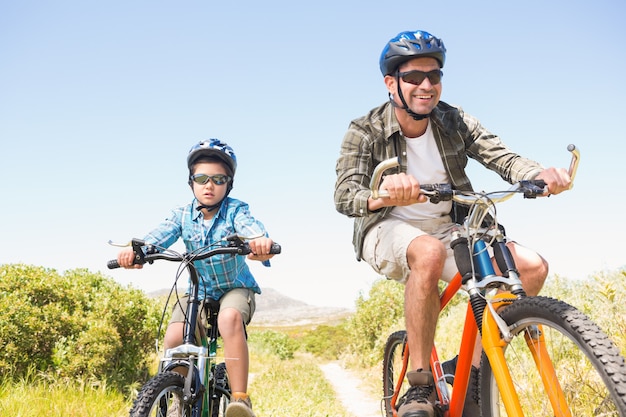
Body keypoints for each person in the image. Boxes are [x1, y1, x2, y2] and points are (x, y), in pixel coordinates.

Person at [334, 30, 572, 417]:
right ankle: (419, 384)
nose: (426, 85)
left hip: (451, 226)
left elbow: (503, 157)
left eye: (434, 75)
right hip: (385, 225)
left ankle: (474, 374)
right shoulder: (365, 129)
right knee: (425, 254)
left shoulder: (454, 119)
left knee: (530, 267)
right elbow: (345, 196)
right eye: (413, 77)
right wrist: (383, 193)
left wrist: (538, 173)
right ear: (391, 83)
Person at [117, 138, 275, 417]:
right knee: (175, 334)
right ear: (191, 182)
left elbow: (251, 230)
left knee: (229, 318)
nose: (209, 185)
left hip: (235, 287)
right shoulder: (181, 215)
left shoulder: (236, 210)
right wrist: (136, 252)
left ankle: (240, 399)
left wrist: (259, 243)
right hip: (198, 290)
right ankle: (178, 395)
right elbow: (159, 236)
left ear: (229, 184)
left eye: (218, 178)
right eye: (201, 178)